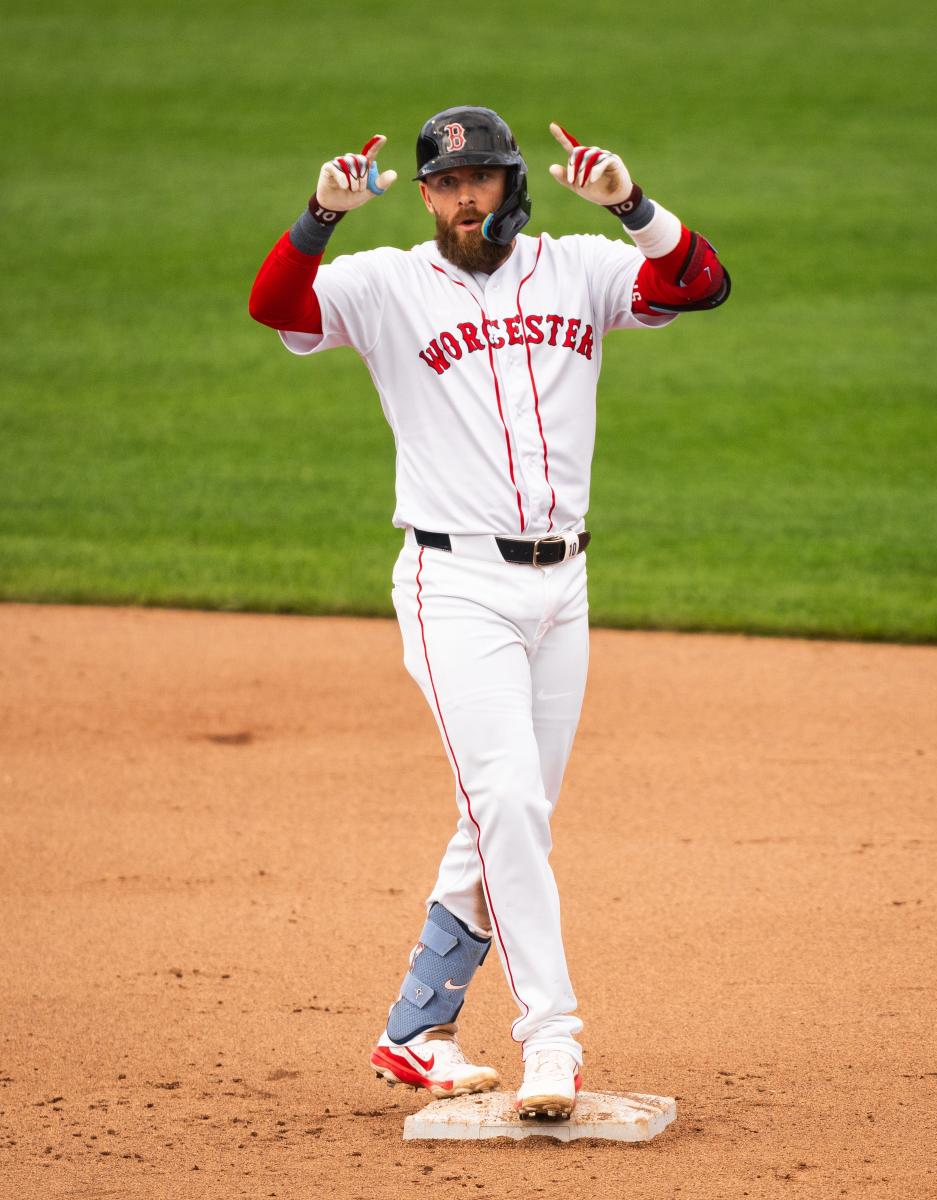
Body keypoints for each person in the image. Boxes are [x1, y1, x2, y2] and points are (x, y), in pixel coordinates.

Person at [249, 106, 730, 1120]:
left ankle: (412, 1029)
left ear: (517, 184)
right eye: (452, 184)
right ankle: (551, 1040)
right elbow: (274, 307)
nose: (473, 198)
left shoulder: (582, 267)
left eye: (491, 179)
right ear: (426, 196)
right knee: (507, 804)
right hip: (453, 586)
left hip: (564, 589)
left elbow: (700, 283)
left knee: (507, 818)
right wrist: (317, 217)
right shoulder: (383, 286)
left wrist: (634, 206)